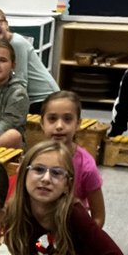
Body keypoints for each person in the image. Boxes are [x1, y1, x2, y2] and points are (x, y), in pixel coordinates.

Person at [38, 90, 105, 226]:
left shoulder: (87, 166)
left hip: (70, 227)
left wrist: (83, 239)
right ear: (42, 123)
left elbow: (99, 216)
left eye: (67, 119)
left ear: (78, 124)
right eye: (52, 119)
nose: (59, 126)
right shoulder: (33, 159)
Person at [0, 7, 58, 113]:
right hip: (31, 97)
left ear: (6, 23)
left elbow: (21, 81)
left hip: (45, 98)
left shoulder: (16, 43)